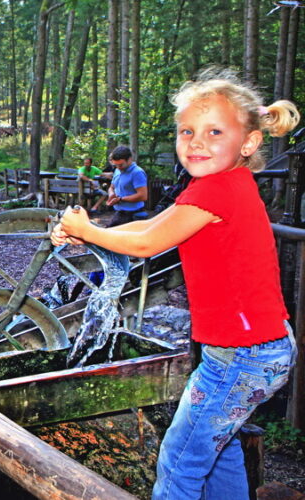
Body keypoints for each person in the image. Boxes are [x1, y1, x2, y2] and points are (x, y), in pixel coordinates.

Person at [52, 68, 300, 499]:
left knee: (179, 461)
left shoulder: (217, 191)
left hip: (245, 356)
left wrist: (88, 232)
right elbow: (151, 224)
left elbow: (147, 243)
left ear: (249, 142)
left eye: (214, 131)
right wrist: (85, 228)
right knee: (217, 451)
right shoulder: (216, 185)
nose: (196, 142)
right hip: (250, 350)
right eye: (187, 131)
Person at [106, 145, 148, 226]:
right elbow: (112, 187)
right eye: (116, 165)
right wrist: (111, 194)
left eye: (121, 165)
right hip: (120, 212)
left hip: (133, 214)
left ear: (129, 159)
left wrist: (120, 199)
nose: (118, 167)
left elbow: (143, 196)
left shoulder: (137, 173)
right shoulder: (117, 170)